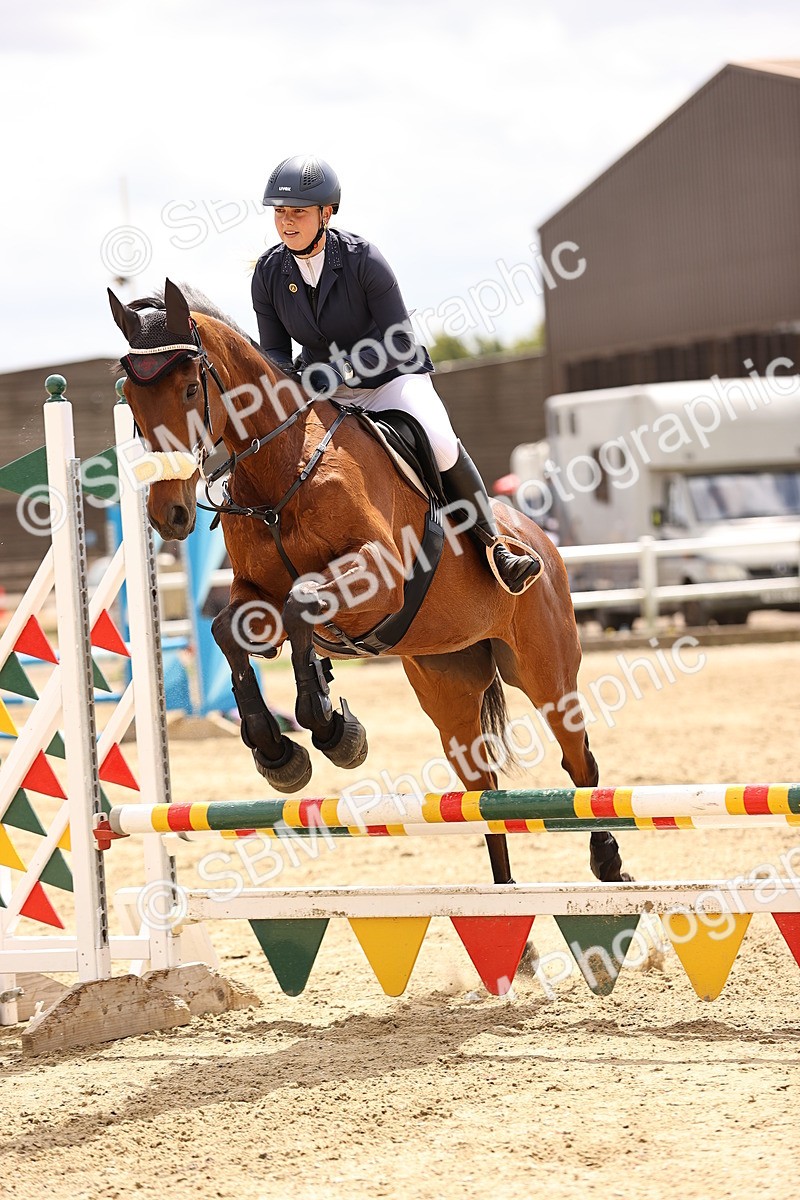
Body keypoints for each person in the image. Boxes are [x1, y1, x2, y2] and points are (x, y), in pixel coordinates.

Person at [251, 154, 542, 594]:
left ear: (326, 213)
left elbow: (399, 342)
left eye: (298, 212)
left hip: (390, 379)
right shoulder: (269, 272)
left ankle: (494, 546)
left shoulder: (362, 259)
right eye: (280, 213)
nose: (287, 222)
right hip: (326, 393)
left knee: (440, 441)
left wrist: (344, 369)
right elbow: (274, 354)